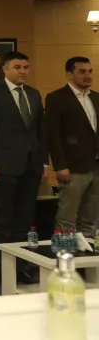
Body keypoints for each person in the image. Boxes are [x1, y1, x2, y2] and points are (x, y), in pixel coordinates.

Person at [0, 51, 47, 284]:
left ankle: (23, 265)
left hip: (31, 165)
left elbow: (41, 131)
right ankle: (5, 267)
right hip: (5, 165)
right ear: (5, 70)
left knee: (25, 218)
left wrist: (44, 162)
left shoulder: (33, 94)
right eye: (18, 67)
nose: (23, 71)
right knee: (4, 219)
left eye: (26, 67)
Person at [47, 56, 99, 238]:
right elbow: (53, 135)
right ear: (69, 74)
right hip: (72, 168)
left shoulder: (96, 97)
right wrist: (60, 165)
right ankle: (64, 253)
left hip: (96, 166)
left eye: (90, 71)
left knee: (91, 217)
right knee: (67, 217)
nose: (88, 75)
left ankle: (87, 252)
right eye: (82, 71)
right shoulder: (57, 98)